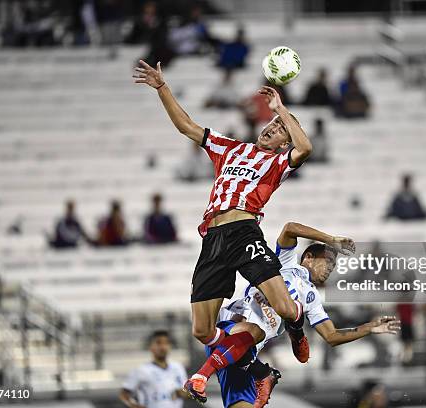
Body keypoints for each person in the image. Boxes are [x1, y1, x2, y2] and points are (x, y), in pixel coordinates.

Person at [133, 60, 313, 404]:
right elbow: (187, 126)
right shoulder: (229, 148)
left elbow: (305, 149)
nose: (271, 128)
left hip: (245, 232)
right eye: (271, 123)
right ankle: (261, 372)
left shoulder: (277, 164)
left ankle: (296, 327)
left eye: (278, 129)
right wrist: (162, 87)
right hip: (213, 239)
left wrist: (282, 108)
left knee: (286, 309)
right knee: (202, 331)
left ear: (281, 144)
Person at [199, 222, 400, 407]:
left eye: (333, 266)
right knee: (255, 327)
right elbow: (290, 228)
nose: (330, 269)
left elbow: (332, 336)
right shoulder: (285, 263)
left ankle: (290, 336)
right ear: (308, 257)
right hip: (234, 327)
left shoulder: (313, 298)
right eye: (328, 262)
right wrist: (330, 239)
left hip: (245, 353)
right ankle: (202, 378)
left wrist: (369, 328)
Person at [119, 330, 188, 408]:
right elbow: (124, 394)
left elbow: (186, 392)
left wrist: (182, 393)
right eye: (158, 343)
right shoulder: (141, 370)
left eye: (166, 343)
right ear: (150, 346)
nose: (163, 347)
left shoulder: (178, 367)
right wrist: (134, 405)